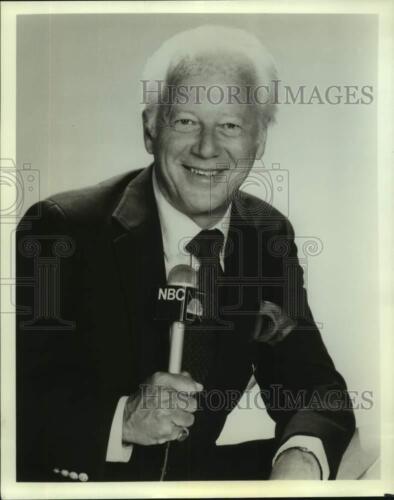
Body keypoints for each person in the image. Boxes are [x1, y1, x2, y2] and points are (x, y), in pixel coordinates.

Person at [16, 25, 355, 482]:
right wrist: (122, 419)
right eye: (186, 121)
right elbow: (16, 402)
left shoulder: (265, 236)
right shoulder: (61, 229)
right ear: (150, 128)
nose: (208, 148)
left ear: (259, 141)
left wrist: (300, 460)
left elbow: (312, 386)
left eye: (231, 125)